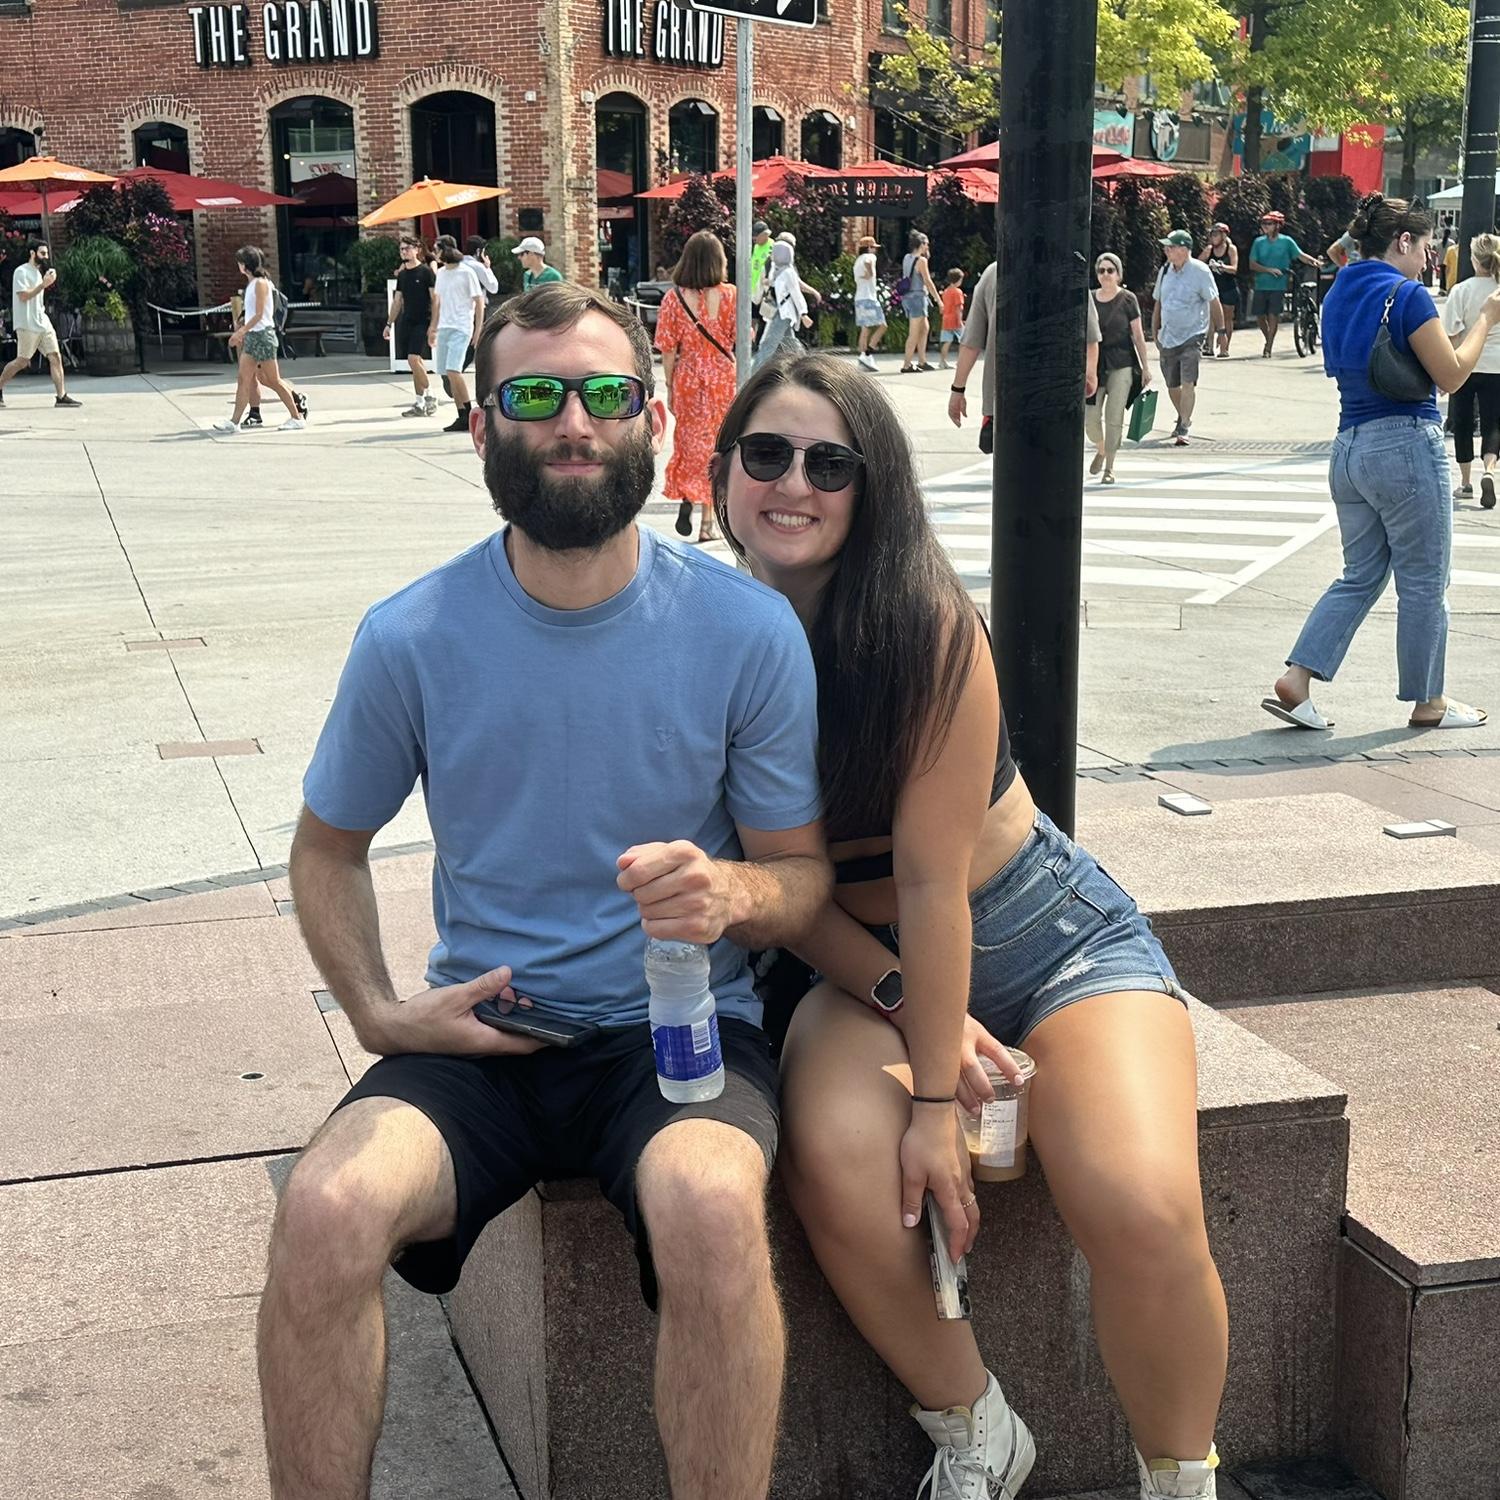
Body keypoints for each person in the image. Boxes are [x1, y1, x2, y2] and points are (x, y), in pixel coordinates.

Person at [258, 280, 830, 1500]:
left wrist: (729, 892)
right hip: (487, 1034)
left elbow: (800, 880)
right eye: (533, 395)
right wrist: (377, 1012)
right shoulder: (412, 636)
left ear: (655, 420)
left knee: (710, 1206)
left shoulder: (745, 631)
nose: (574, 421)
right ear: (482, 425)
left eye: (607, 393)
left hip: (678, 1034)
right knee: (324, 1210)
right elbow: (326, 849)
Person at [711, 352, 1228, 1500]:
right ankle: (978, 1429)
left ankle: (1180, 1480)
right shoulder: (700, 634)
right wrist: (915, 1016)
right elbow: (779, 892)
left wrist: (937, 1102)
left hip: (1047, 937)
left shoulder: (923, 625)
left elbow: (933, 884)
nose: (793, 483)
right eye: (767, 453)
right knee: (840, 1162)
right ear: (722, 469)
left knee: (1140, 1202)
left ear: (873, 487)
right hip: (861, 969)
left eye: (830, 464)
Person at [1264, 194, 1495, 734]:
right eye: (1426, 248)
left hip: (1349, 446)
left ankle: (1298, 678)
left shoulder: (1339, 290)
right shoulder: (1407, 294)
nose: (1429, 259)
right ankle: (1429, 699)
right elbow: (1451, 375)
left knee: (1361, 573)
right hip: (1405, 444)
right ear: (1402, 241)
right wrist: (1488, 317)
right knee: (1425, 579)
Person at [949, 261, 1101, 454]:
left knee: (1010, 468)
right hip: (1057, 399)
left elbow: (971, 341)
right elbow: (1090, 335)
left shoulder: (995, 272)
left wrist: (958, 389)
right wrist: (1090, 375)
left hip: (1004, 400)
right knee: (1053, 467)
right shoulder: (1067, 266)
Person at [654, 229, 737, 543]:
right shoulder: (730, 295)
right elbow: (741, 337)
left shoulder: (673, 298)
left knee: (689, 443)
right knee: (718, 444)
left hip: (688, 377)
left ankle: (688, 494)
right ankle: (707, 522)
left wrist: (670, 385)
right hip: (722, 377)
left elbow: (667, 348)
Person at [212, 246, 303, 434]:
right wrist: (243, 330)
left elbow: (260, 314)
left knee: (273, 380)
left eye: (240, 262)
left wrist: (240, 332)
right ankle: (234, 422)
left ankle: (296, 417)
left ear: (245, 265)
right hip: (253, 336)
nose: (238, 265)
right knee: (243, 379)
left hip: (263, 336)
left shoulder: (261, 283)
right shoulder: (252, 284)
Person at [1441, 231, 1500, 509]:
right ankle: (1489, 470)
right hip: (1497, 366)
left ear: (1474, 260)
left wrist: (1447, 367)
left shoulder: (1461, 290)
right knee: (1494, 422)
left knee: (1463, 421)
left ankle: (1465, 482)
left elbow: (1451, 334)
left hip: (1466, 363)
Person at [1152, 230, 1223, 447]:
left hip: (1193, 334)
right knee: (1172, 385)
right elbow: (1158, 302)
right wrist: (1154, 331)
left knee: (1187, 382)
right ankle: (1183, 415)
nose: (1167, 250)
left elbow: (1214, 301)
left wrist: (1221, 331)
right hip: (1168, 336)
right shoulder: (1165, 271)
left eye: (1171, 247)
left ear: (1184, 250)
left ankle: (1184, 426)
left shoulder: (1200, 271)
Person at [1089, 253, 1153, 484]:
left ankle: (1109, 467)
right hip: (1095, 366)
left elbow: (1138, 335)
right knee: (1090, 419)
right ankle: (1101, 448)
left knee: (1114, 418)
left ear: (1118, 274)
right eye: (1101, 270)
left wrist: (1145, 367)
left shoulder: (1128, 299)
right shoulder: (1089, 299)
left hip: (1121, 364)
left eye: (1110, 270)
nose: (1105, 275)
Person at [0, 239, 82, 410]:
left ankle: (61, 396)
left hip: (43, 322)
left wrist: (47, 282)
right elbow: (23, 296)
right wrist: (43, 285)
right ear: (32, 253)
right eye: (42, 253)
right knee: (22, 361)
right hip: (27, 323)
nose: (46, 256)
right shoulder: (21, 272)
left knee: (55, 356)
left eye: (46, 253)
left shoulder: (39, 273)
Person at [431, 244, 486, 434]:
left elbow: (478, 301)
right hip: (444, 327)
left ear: (445, 250)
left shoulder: (466, 272)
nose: (434, 253)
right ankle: (461, 413)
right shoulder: (441, 273)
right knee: (446, 373)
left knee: (454, 370)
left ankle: (469, 413)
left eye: (436, 249)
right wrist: (433, 327)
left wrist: (478, 329)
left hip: (461, 326)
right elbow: (437, 302)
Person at [1248, 212, 1320, 357]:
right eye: (1264, 224)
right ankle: (1268, 338)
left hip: (1278, 285)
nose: (1265, 226)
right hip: (1261, 284)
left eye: (1269, 224)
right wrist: (1268, 270)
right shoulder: (1258, 242)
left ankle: (1269, 346)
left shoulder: (1286, 241)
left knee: (1273, 314)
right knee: (1260, 316)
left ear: (1277, 226)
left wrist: (1314, 261)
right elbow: (1252, 264)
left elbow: (1300, 255)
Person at [385, 235, 438, 418]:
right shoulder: (403, 275)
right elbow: (397, 301)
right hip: (407, 321)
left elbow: (435, 299)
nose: (404, 252)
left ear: (417, 250)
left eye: (407, 248)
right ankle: (419, 402)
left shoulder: (426, 272)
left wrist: (434, 324)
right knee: (415, 363)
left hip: (423, 320)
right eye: (401, 249)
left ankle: (430, 395)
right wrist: (389, 323)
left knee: (413, 358)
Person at [752, 240, 811, 371]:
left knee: (768, 344)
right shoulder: (775, 268)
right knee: (790, 344)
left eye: (774, 252)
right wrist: (768, 282)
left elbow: (796, 294)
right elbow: (775, 284)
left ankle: (754, 373)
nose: (772, 254)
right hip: (777, 310)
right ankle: (805, 365)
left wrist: (803, 313)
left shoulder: (789, 273)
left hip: (783, 313)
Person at [899, 231, 941, 373]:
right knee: (914, 332)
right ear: (921, 244)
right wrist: (938, 300)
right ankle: (907, 364)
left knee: (924, 328)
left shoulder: (907, 258)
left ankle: (922, 361)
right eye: (926, 243)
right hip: (917, 298)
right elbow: (928, 281)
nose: (928, 246)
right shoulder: (922, 261)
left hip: (908, 297)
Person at [1197, 223, 1238, 357]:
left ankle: (1225, 348)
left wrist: (1222, 267)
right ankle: (1209, 347)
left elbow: (1234, 268)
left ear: (1223, 235)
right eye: (1212, 235)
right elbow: (1197, 263)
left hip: (1228, 287)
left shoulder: (1231, 249)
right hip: (1213, 287)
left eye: (1216, 234)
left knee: (1227, 318)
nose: (1213, 237)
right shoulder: (1209, 250)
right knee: (1211, 317)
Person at [852, 234, 886, 371]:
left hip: (859, 298)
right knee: (882, 326)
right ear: (868, 248)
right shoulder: (869, 257)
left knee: (865, 329)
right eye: (873, 247)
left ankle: (863, 357)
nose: (875, 250)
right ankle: (868, 353)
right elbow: (869, 262)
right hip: (869, 298)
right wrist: (870, 273)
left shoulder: (857, 260)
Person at [938, 268, 966, 372]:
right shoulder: (958, 292)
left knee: (947, 341)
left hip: (946, 319)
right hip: (955, 319)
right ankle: (961, 361)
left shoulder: (946, 291)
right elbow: (958, 307)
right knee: (964, 340)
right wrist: (960, 321)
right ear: (958, 280)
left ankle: (942, 361)